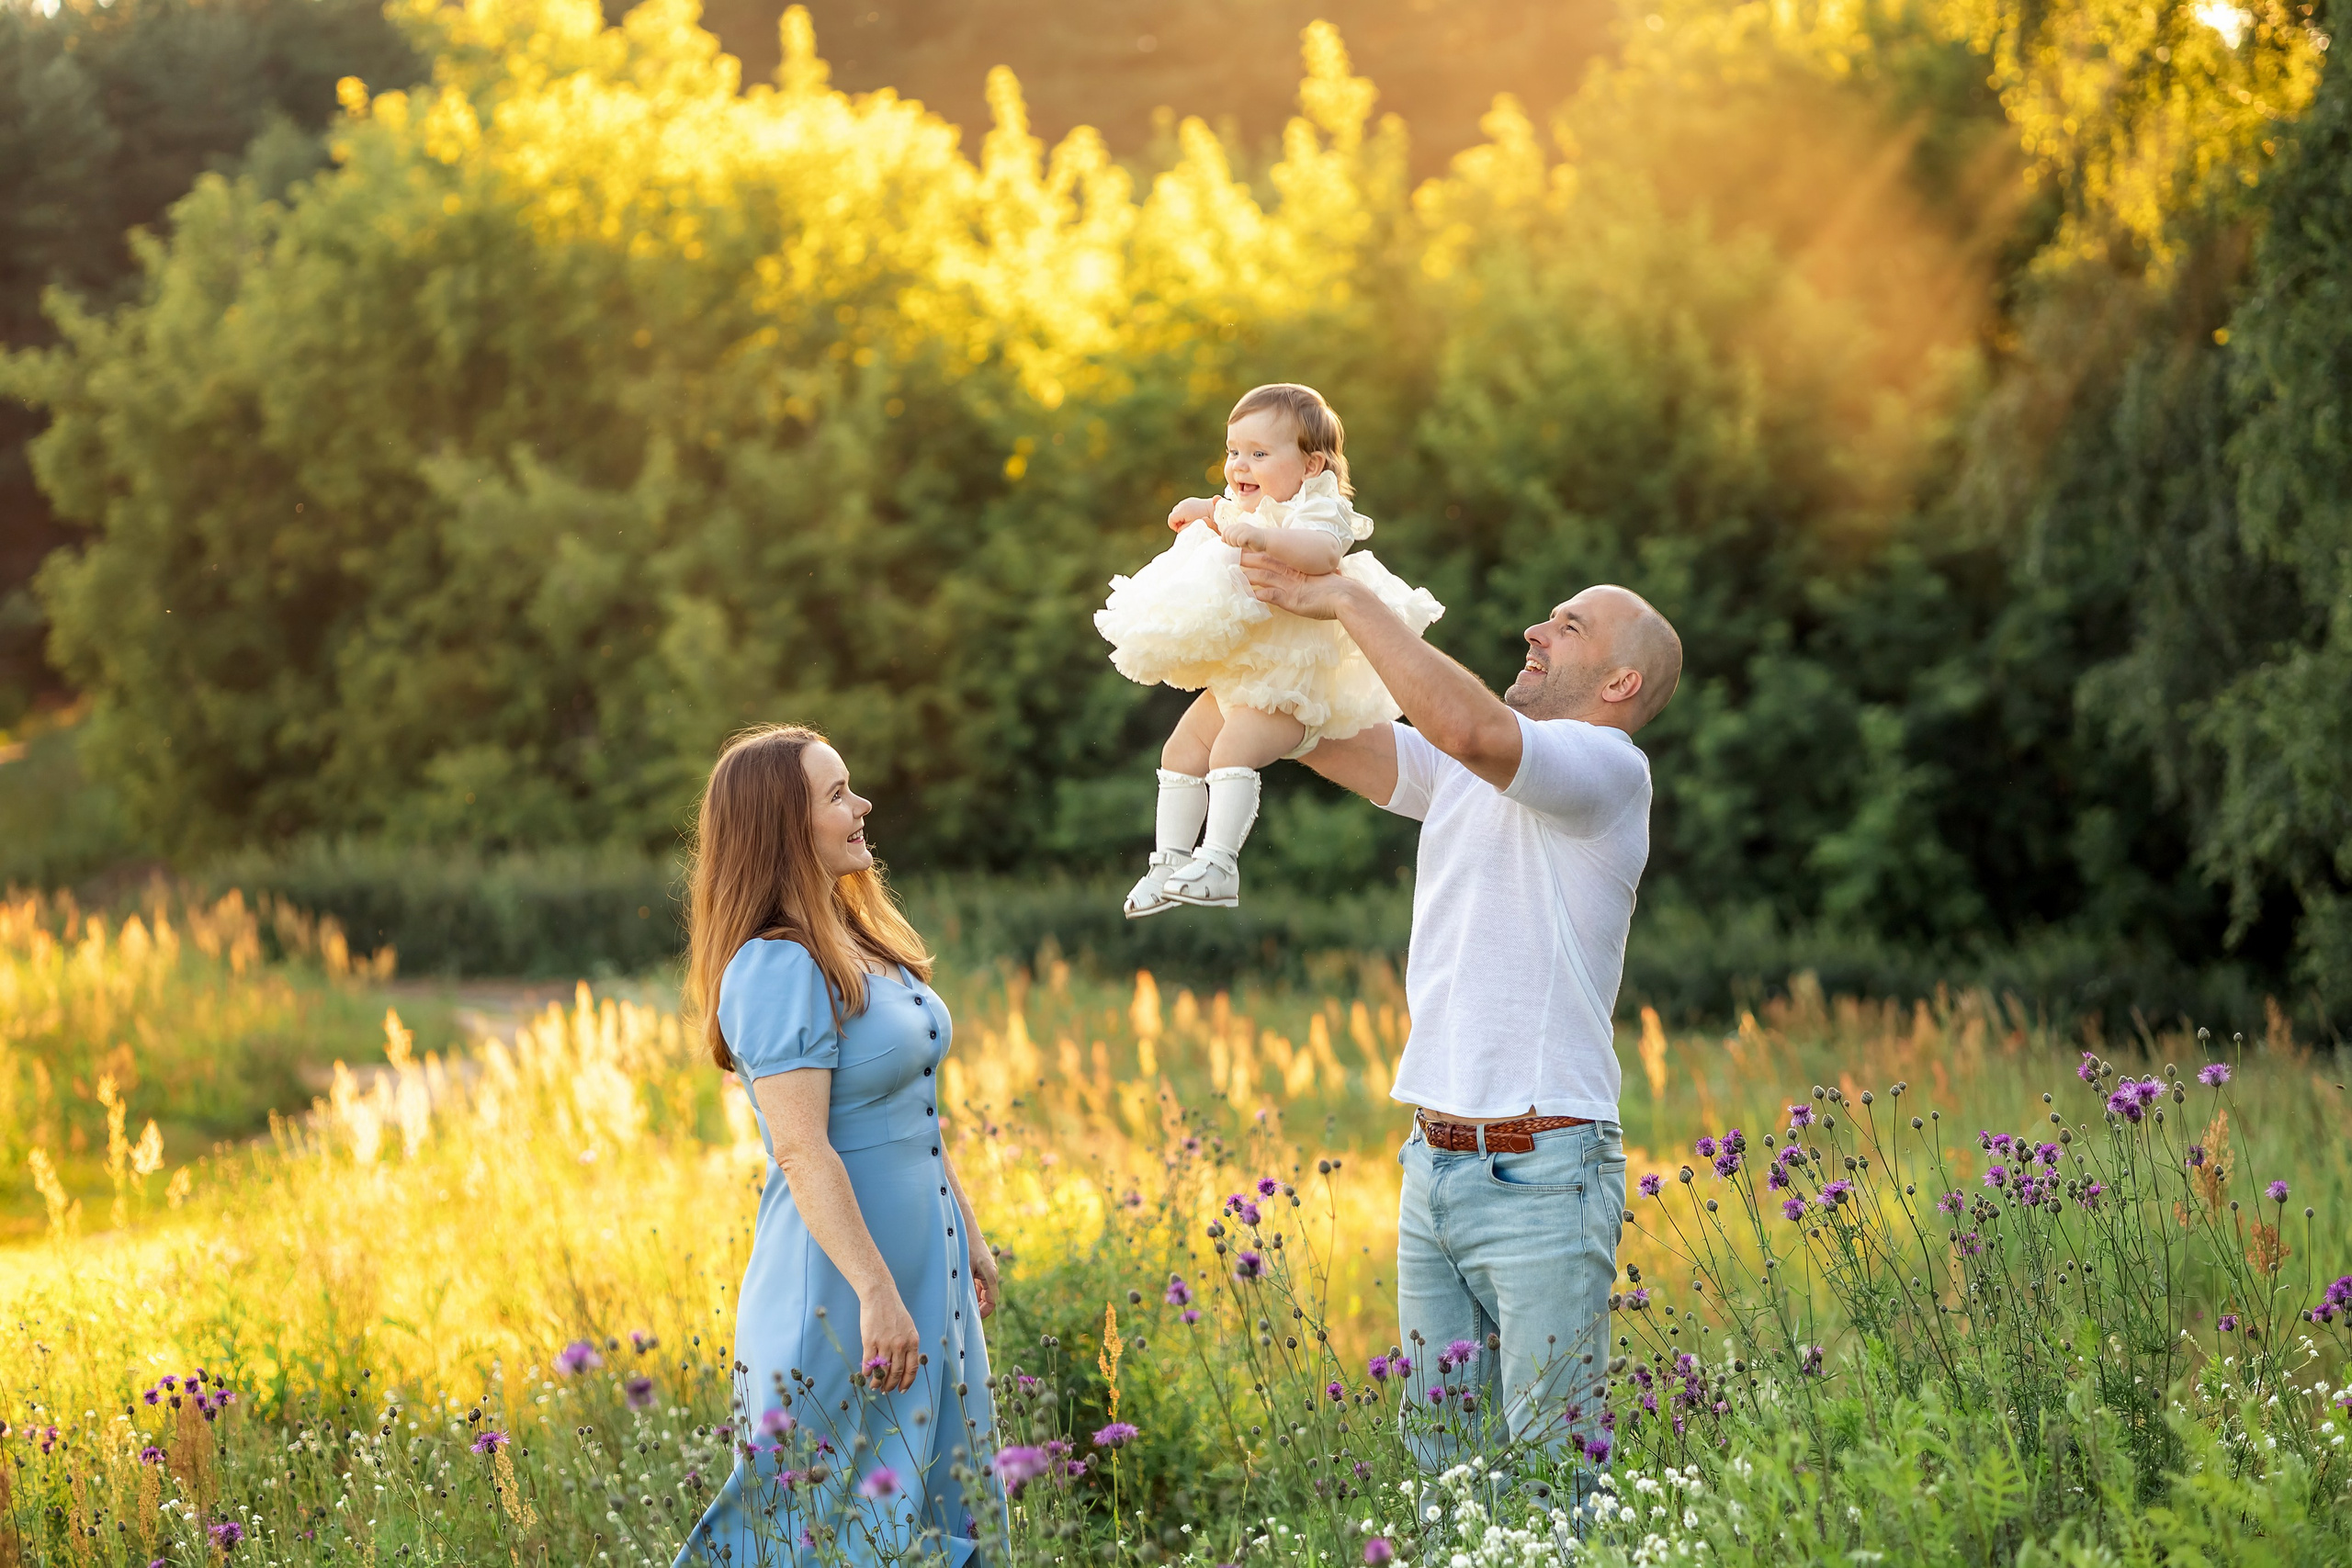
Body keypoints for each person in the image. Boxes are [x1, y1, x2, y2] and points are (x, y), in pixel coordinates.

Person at [1239, 556, 1682, 1502]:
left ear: (1619, 683)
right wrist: (1231, 605)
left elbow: (1468, 724)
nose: (1536, 627)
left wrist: (1351, 597)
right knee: (1441, 1472)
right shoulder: (1463, 773)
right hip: (1431, 1163)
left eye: (1567, 625)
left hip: (1544, 1167)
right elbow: (1309, 730)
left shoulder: (1608, 771)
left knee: (1553, 1479)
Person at [675, 724, 1002, 1567]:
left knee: (937, 1494)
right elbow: (802, 1150)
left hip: (920, 1267)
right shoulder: (776, 967)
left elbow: (918, 1113)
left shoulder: (863, 943)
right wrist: (874, 1289)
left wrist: (966, 1230)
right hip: (843, 1285)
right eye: (836, 795)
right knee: (828, 1520)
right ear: (787, 827)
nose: (860, 807)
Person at [1093, 382, 1443, 917]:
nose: (1240, 465)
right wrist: (1207, 509)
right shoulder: (1245, 508)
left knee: (1232, 752)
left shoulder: (1317, 510)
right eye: (1234, 452)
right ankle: (1168, 862)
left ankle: (1219, 864)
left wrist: (1264, 540)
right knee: (1181, 752)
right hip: (1244, 674)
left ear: (1310, 465)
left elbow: (1323, 553)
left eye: (1259, 454)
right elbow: (1225, 511)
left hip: (1293, 680)